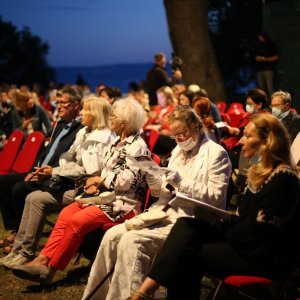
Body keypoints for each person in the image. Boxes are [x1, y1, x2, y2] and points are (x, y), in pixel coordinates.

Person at [132, 113, 300, 300]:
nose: (241, 141)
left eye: (248, 136)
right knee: (187, 225)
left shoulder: (284, 178)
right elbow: (246, 222)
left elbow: (259, 234)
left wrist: (219, 224)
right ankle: (146, 290)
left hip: (261, 256)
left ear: (268, 141)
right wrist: (217, 221)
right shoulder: (264, 173)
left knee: (187, 252)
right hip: (246, 242)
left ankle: (144, 292)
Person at [82, 105, 232, 300]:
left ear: (196, 127)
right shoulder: (178, 150)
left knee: (132, 241)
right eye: (174, 135)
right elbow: (164, 190)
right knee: (112, 234)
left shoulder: (216, 153)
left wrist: (180, 182)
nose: (178, 139)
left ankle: (132, 296)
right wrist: (154, 177)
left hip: (190, 221)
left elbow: (216, 196)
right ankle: (100, 296)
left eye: (181, 133)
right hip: (165, 212)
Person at [11, 98, 150, 285]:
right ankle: (42, 259)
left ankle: (49, 270)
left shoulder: (137, 147)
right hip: (106, 197)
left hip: (123, 204)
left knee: (77, 221)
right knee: (67, 213)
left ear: (124, 123)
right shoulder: (118, 142)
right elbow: (109, 172)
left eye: (114, 116)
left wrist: (99, 180)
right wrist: (96, 182)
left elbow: (125, 182)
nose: (110, 118)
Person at [0, 96, 115, 268]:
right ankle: (19, 250)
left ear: (96, 114)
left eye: (86, 109)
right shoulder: (85, 133)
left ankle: (25, 253)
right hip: (71, 181)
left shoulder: (103, 139)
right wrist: (53, 171)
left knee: (36, 199)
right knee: (32, 197)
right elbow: (70, 161)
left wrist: (54, 171)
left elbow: (88, 172)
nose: (82, 112)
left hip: (84, 188)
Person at [0, 87, 83, 252]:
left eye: (62, 103)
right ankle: (14, 229)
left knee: (18, 189)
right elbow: (46, 152)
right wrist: (34, 169)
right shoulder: (59, 124)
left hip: (55, 176)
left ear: (75, 105)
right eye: (57, 102)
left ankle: (19, 236)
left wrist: (45, 174)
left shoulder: (80, 129)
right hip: (40, 170)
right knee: (2, 182)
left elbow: (69, 163)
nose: (58, 106)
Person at [255, 30, 279, 96]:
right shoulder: (258, 45)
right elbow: (255, 55)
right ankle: (262, 104)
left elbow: (276, 57)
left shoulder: (271, 45)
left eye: (260, 37)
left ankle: (274, 103)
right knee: (261, 89)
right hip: (260, 69)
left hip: (268, 69)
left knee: (270, 87)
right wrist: (257, 58)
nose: (259, 38)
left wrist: (265, 59)